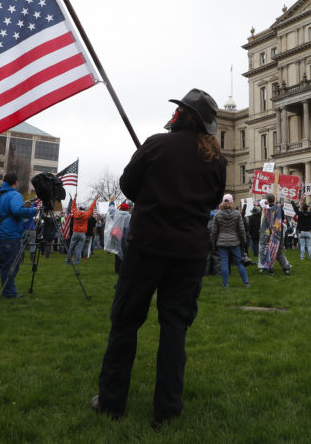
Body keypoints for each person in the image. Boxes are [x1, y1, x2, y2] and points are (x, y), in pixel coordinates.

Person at [93, 88, 226, 428]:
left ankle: (111, 402)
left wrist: (155, 192)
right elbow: (211, 199)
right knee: (174, 329)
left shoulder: (155, 145)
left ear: (184, 116)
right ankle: (167, 410)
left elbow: (128, 186)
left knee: (125, 323)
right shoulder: (216, 161)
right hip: (189, 254)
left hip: (147, 248)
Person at [0, 173, 38, 300]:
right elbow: (17, 210)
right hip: (9, 236)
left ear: (4, 181)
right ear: (15, 182)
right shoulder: (14, 194)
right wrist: (33, 211)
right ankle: (9, 292)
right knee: (9, 265)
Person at [211, 194, 249, 288]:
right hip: (234, 241)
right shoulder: (237, 214)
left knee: (224, 262)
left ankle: (226, 284)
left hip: (222, 241)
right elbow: (241, 230)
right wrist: (243, 242)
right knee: (239, 262)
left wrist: (213, 243)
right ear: (232, 202)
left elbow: (214, 231)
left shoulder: (217, 214)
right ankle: (246, 282)